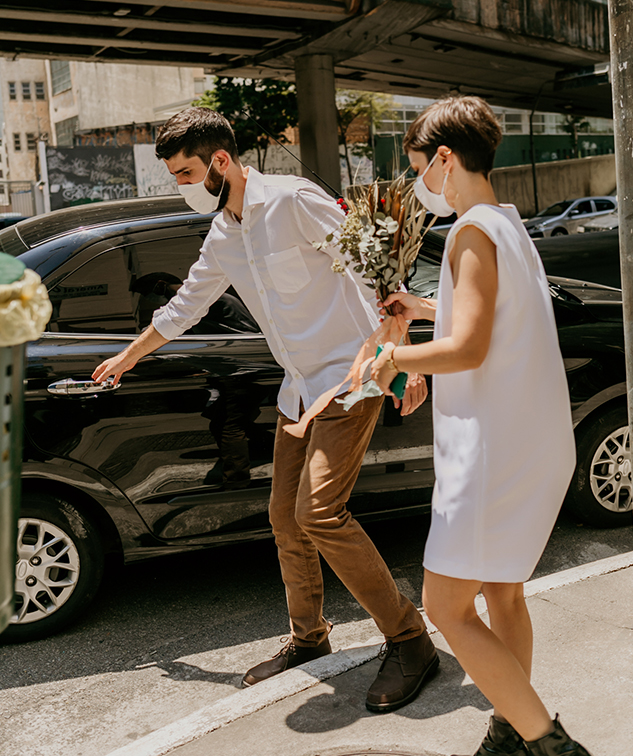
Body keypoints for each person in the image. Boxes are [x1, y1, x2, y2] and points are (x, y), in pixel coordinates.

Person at [92, 106, 438, 712]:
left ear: (221, 161)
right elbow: (184, 307)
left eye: (186, 173)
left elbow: (376, 268)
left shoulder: (293, 200)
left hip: (350, 375)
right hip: (298, 388)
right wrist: (128, 356)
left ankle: (411, 640)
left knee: (319, 512)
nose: (182, 186)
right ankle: (309, 638)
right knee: (285, 518)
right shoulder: (223, 236)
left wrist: (403, 360)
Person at [371, 96, 614, 756]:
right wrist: (424, 314)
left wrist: (391, 358)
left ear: (445, 158)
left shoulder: (469, 233)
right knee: (501, 595)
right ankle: (510, 738)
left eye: (420, 167)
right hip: (531, 442)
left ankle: (553, 751)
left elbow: (470, 347)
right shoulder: (505, 224)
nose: (420, 183)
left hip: (493, 453)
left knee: (444, 605)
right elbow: (494, 322)